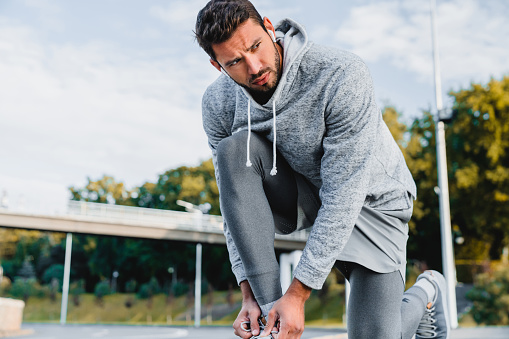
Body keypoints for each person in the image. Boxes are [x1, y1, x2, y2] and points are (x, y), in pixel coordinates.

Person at [194, 1, 451, 338]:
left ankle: (427, 293)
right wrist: (250, 294)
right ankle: (269, 318)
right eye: (235, 62)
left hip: (370, 202)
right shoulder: (218, 105)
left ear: (269, 28)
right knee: (233, 153)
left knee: (378, 335)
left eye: (256, 46)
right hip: (298, 194)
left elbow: (344, 194)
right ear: (217, 65)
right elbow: (234, 208)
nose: (254, 67)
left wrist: (298, 294)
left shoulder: (340, 73)